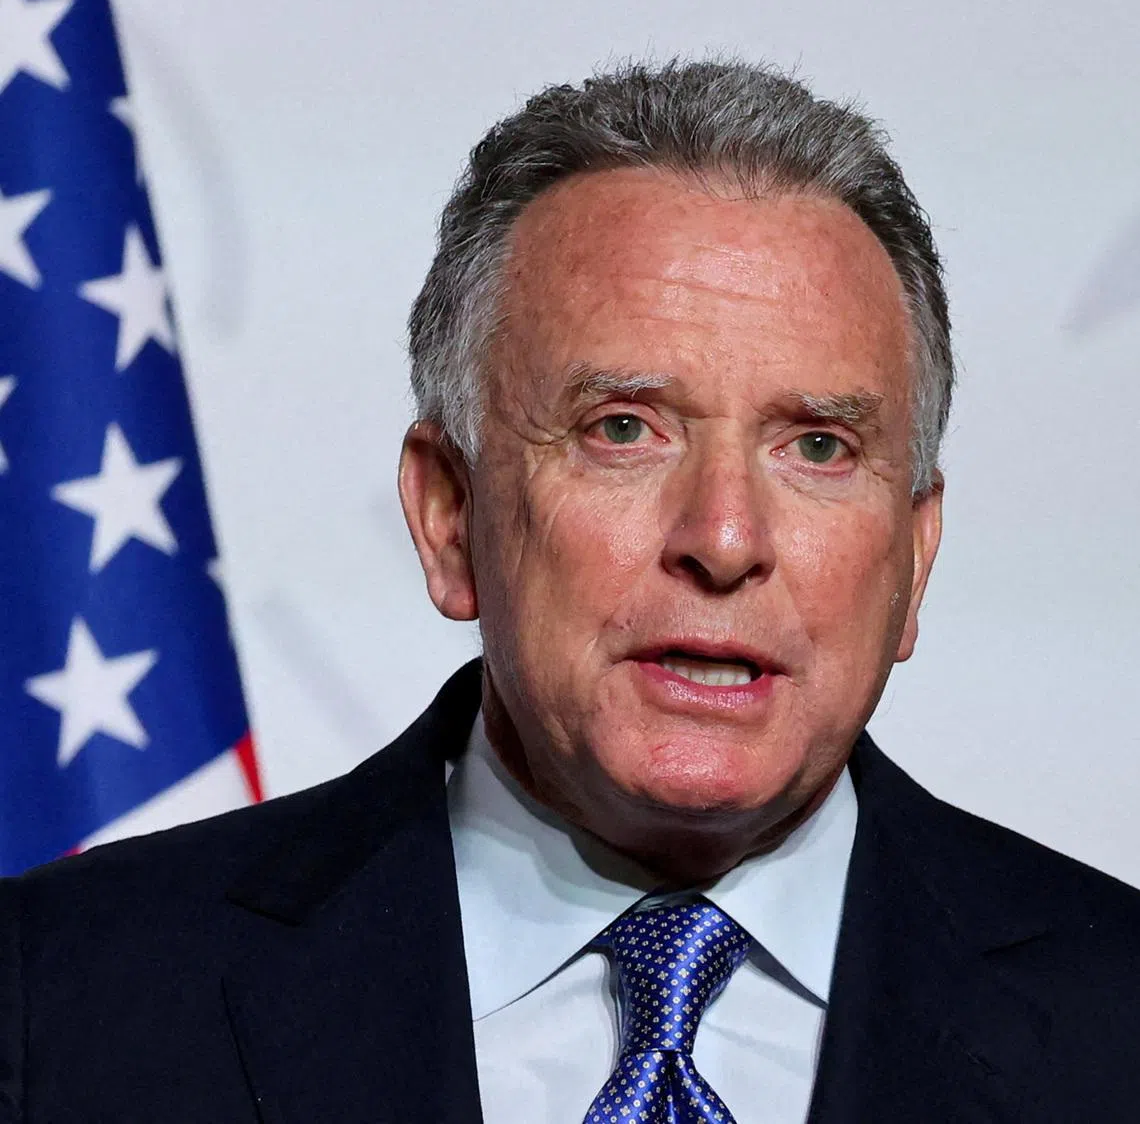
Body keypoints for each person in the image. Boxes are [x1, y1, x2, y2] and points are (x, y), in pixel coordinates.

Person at [2, 58, 1139, 1124]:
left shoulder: (1115, 1025)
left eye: (820, 447)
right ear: (450, 515)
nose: (726, 538)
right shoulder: (67, 1001)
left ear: (916, 555)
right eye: (624, 430)